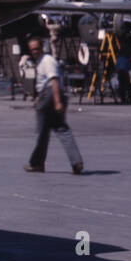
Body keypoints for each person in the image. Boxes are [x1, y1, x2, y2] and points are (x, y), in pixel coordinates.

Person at [23, 35, 84, 174]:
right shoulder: (39, 61)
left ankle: (37, 163)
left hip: (50, 96)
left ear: (42, 48)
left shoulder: (47, 60)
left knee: (42, 133)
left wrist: (57, 102)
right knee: (61, 129)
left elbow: (54, 81)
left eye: (37, 49)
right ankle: (76, 162)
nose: (34, 52)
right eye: (32, 50)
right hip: (48, 96)